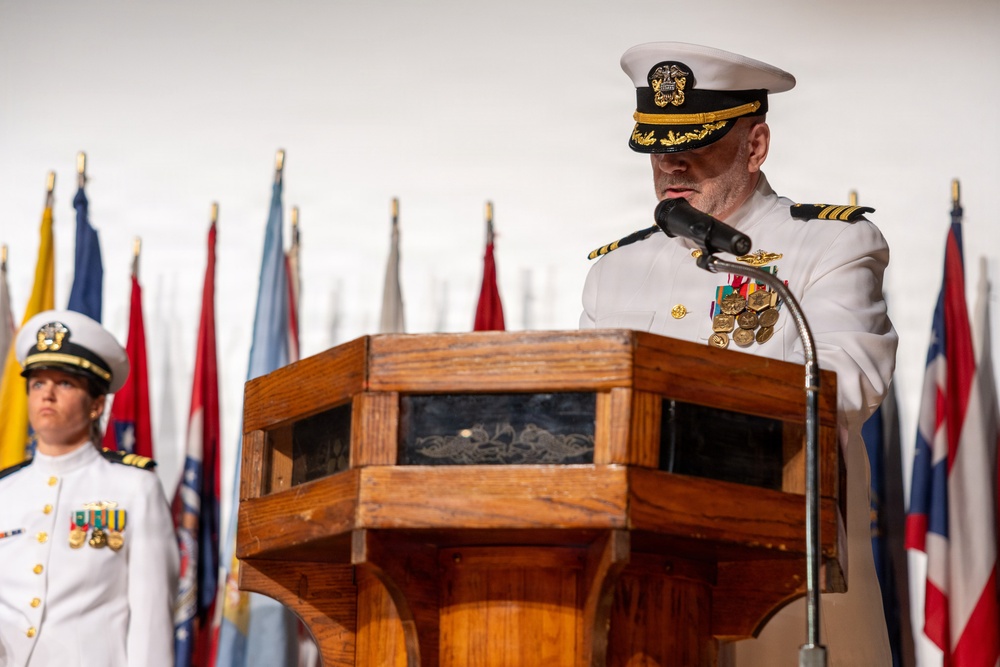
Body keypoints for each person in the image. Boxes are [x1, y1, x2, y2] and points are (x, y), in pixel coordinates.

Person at [581, 42, 898, 665]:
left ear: (754, 146)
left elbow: (846, 383)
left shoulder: (830, 244)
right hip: (645, 580)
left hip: (782, 583)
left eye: (694, 143)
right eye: (656, 145)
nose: (671, 163)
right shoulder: (613, 271)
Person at [0, 309, 178, 666]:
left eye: (64, 383)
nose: (46, 394)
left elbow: (151, 617)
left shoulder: (134, 488)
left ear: (97, 405)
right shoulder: (6, 491)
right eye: (37, 383)